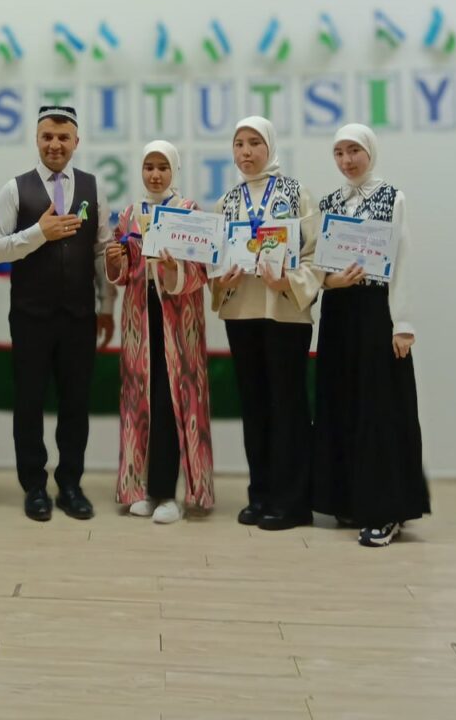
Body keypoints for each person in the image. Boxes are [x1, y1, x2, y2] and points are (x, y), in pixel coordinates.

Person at [0, 105, 116, 522]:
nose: (55, 144)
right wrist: (37, 233)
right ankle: (35, 487)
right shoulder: (15, 189)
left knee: (75, 404)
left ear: (76, 142)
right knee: (29, 403)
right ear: (37, 140)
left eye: (63, 137)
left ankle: (71, 485)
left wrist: (107, 306)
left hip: (79, 317)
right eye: (47, 137)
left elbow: (101, 251)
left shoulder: (94, 188)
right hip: (30, 316)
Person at [312, 124, 430, 547]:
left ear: (370, 152)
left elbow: (402, 261)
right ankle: (348, 500)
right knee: (341, 403)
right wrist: (330, 281)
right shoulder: (329, 203)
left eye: (354, 151)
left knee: (380, 409)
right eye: (339, 153)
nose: (347, 161)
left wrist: (403, 324)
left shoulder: (392, 197)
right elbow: (318, 265)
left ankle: (386, 510)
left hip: (377, 312)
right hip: (339, 312)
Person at [211, 115, 320, 531]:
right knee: (254, 406)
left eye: (254, 143)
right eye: (239, 144)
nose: (246, 152)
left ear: (270, 146)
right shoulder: (227, 202)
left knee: (287, 406)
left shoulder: (296, 194)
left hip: (286, 313)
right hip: (242, 313)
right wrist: (221, 279)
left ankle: (293, 502)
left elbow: (315, 256)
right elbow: (215, 261)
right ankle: (260, 495)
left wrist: (287, 280)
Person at [105, 141, 214, 524]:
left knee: (173, 402)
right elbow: (122, 273)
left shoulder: (189, 212)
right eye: (149, 167)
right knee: (141, 401)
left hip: (178, 322)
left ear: (174, 171)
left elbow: (201, 272)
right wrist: (115, 260)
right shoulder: (129, 214)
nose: (155, 174)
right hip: (140, 319)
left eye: (162, 167)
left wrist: (172, 270)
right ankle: (143, 490)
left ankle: (170, 494)